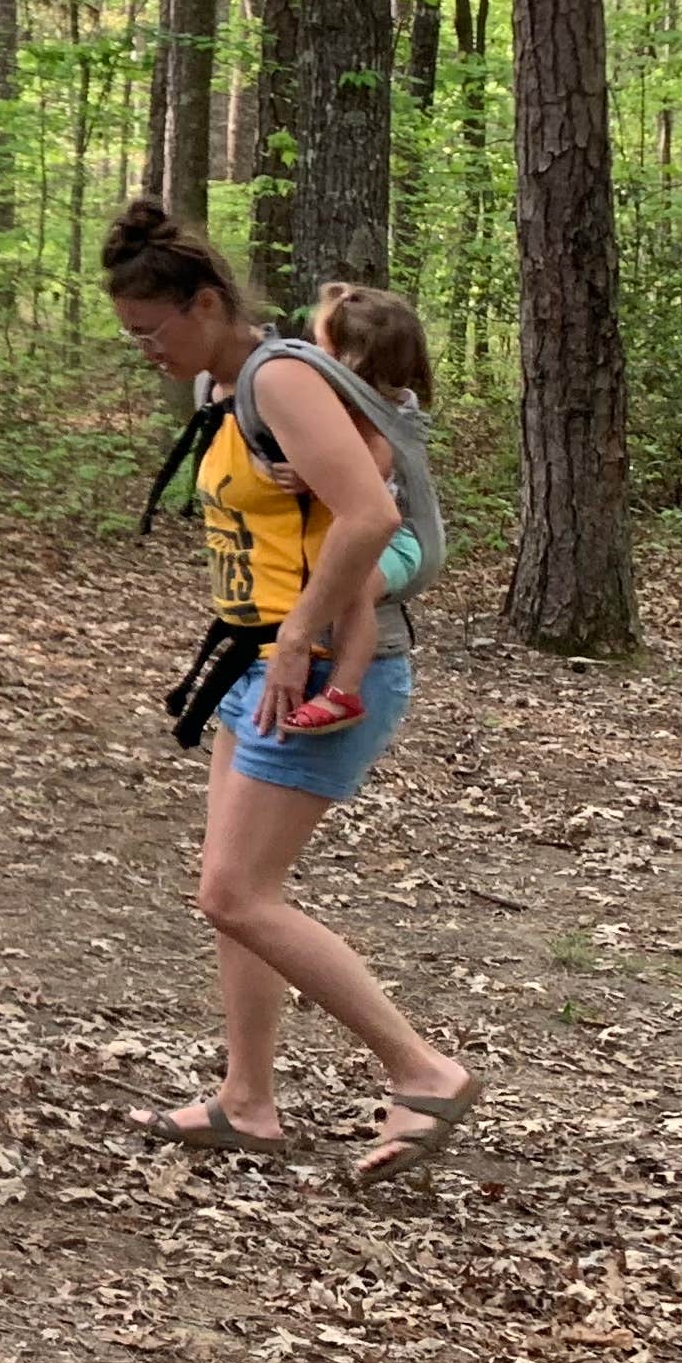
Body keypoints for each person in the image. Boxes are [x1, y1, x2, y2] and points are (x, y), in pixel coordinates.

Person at [101, 201, 481, 1183]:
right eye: (131, 334)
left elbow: (365, 517)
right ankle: (247, 1100)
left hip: (315, 672)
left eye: (154, 328)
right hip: (253, 660)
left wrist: (302, 637)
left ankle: (422, 1069)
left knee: (234, 893)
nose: (145, 348)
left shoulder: (278, 377)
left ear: (209, 302)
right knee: (234, 897)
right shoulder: (221, 388)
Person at [275, 282, 434, 737]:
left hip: (395, 538)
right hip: (370, 529)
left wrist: (309, 477)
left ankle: (344, 693)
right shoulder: (349, 404)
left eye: (321, 348)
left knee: (352, 586)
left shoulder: (381, 412)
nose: (312, 357)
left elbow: (372, 472)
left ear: (354, 362)